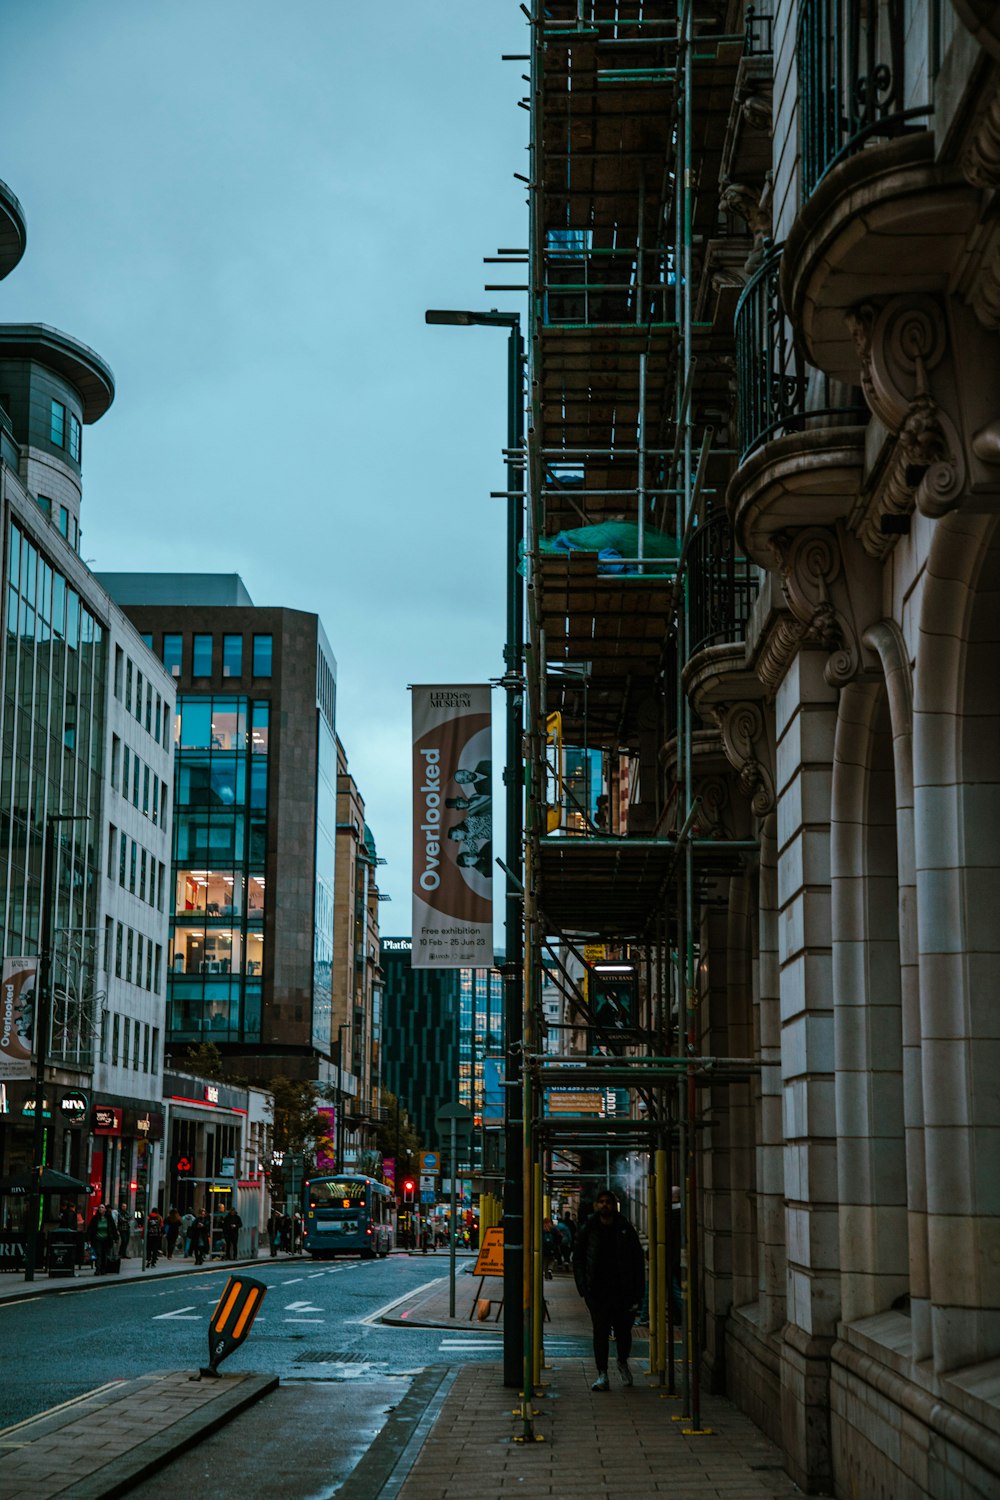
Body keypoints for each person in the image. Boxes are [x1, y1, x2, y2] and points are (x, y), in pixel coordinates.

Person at [572, 1187, 645, 1391]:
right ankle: (602, 1373)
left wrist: (638, 1292)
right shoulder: (589, 1228)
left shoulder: (624, 1228)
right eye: (601, 1201)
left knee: (624, 1333)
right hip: (597, 1291)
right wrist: (583, 1288)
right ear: (597, 1205)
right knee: (600, 1333)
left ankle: (622, 1361)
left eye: (608, 1201)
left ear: (614, 1205)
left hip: (623, 1291)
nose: (605, 1205)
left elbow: (637, 1261)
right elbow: (578, 1258)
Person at [86, 1203, 119, 1275]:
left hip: (106, 1239)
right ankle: (98, 1269)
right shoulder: (95, 1218)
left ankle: (103, 1269)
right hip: (97, 1239)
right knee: (98, 1254)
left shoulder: (109, 1218)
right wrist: (88, 1238)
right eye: (99, 1207)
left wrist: (116, 1238)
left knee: (104, 1255)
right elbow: (90, 1228)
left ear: (105, 1209)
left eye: (102, 1207)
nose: (100, 1208)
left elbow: (113, 1228)